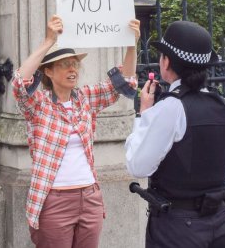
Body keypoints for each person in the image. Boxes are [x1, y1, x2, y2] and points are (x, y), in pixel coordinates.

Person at [11, 15, 140, 248]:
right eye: (64, 64)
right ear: (48, 72)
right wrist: (48, 41)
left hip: (89, 197)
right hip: (54, 200)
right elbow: (20, 83)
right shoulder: (39, 104)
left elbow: (125, 82)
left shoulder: (85, 98)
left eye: (74, 64)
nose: (72, 69)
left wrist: (131, 44)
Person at [125, 20, 225, 248]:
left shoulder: (170, 109)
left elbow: (138, 166)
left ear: (167, 62)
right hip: (219, 222)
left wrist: (144, 115)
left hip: (178, 228)